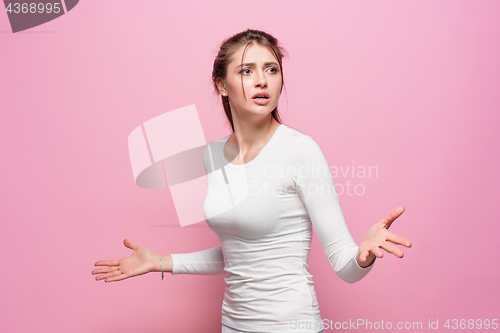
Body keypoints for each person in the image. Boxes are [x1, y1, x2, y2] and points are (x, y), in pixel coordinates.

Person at [92, 29, 412, 333]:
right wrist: (159, 261)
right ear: (221, 84)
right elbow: (239, 252)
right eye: (247, 71)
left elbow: (345, 265)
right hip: (233, 324)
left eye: (271, 69)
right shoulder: (213, 155)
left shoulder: (300, 151)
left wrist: (363, 255)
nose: (262, 80)